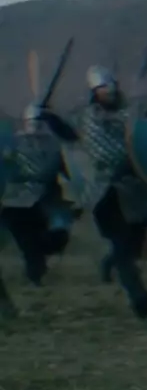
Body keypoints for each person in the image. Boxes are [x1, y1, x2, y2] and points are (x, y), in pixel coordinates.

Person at [40, 66, 147, 321]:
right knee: (122, 248)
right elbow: (70, 134)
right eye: (102, 89)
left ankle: (110, 262)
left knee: (136, 246)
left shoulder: (131, 114)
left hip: (135, 187)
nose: (109, 92)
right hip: (106, 191)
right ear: (94, 92)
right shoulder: (87, 117)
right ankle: (141, 302)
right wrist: (50, 118)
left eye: (110, 87)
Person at [0, 103, 75, 286]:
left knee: (52, 238)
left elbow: (67, 170)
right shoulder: (13, 144)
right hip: (16, 202)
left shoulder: (54, 145)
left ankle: (37, 272)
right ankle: (35, 277)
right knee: (29, 244)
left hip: (43, 201)